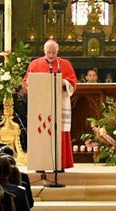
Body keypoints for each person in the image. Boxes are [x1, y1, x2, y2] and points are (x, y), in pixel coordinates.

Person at [24, 38, 78, 170]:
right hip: (40, 105)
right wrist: (33, 84)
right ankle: (40, 163)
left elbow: (72, 82)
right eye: (49, 52)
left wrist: (63, 82)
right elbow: (26, 81)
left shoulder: (65, 64)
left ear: (57, 51)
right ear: (44, 51)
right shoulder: (35, 64)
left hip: (59, 104)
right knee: (41, 132)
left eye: (53, 52)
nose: (51, 55)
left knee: (59, 133)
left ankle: (60, 164)